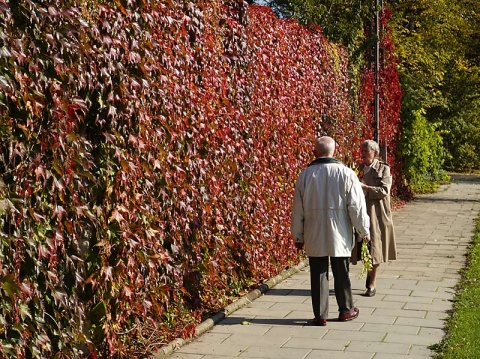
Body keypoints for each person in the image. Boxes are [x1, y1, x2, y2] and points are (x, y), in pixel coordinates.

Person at [290, 136, 370, 326]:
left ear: (314, 152)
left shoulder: (305, 175)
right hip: (339, 231)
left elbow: (297, 209)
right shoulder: (346, 173)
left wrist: (298, 236)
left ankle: (320, 314)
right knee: (341, 270)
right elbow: (357, 207)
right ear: (335, 151)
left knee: (318, 271)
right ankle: (346, 310)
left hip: (314, 230)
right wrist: (363, 230)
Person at [352, 139, 397, 297]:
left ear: (375, 153)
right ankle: (369, 273)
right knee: (361, 247)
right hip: (358, 212)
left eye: (366, 151)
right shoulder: (357, 169)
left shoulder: (383, 169)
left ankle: (372, 283)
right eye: (362, 151)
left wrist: (365, 188)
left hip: (376, 214)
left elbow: (384, 190)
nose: (363, 154)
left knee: (375, 248)